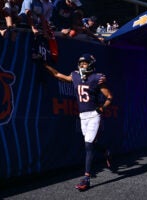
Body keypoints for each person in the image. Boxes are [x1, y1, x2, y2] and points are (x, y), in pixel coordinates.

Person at [42, 53, 113, 191]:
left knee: (88, 146)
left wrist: (102, 109)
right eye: (80, 64)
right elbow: (57, 75)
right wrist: (45, 65)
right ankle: (105, 151)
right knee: (90, 143)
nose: (82, 66)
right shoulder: (75, 76)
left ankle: (86, 178)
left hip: (93, 115)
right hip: (82, 116)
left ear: (91, 65)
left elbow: (110, 97)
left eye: (84, 63)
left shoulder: (97, 78)